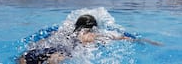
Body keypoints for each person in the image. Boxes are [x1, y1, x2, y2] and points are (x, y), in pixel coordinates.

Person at [18, 14, 159, 64]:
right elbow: (119, 37)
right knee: (54, 58)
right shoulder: (91, 33)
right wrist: (142, 41)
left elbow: (41, 41)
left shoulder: (63, 30)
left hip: (37, 49)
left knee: (24, 59)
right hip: (60, 51)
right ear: (93, 27)